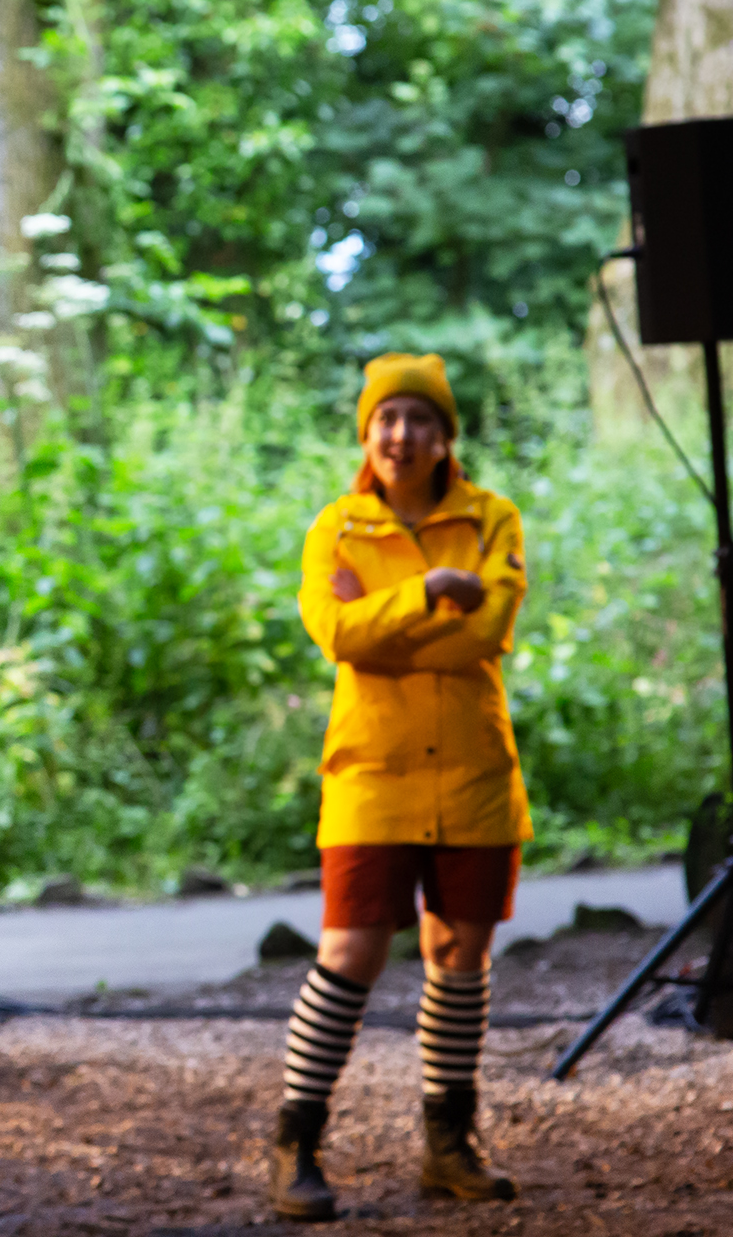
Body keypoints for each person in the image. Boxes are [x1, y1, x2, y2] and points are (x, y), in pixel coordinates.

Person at [268, 353, 531, 1220]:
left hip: (474, 775)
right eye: (387, 418)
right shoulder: (335, 527)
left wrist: (385, 623)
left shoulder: (494, 520)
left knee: (461, 956)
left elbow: (483, 636)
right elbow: (336, 635)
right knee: (351, 954)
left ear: (446, 433)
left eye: (421, 419)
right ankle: (296, 1146)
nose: (402, 435)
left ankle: (449, 1146)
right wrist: (428, 592)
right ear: (367, 431)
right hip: (371, 777)